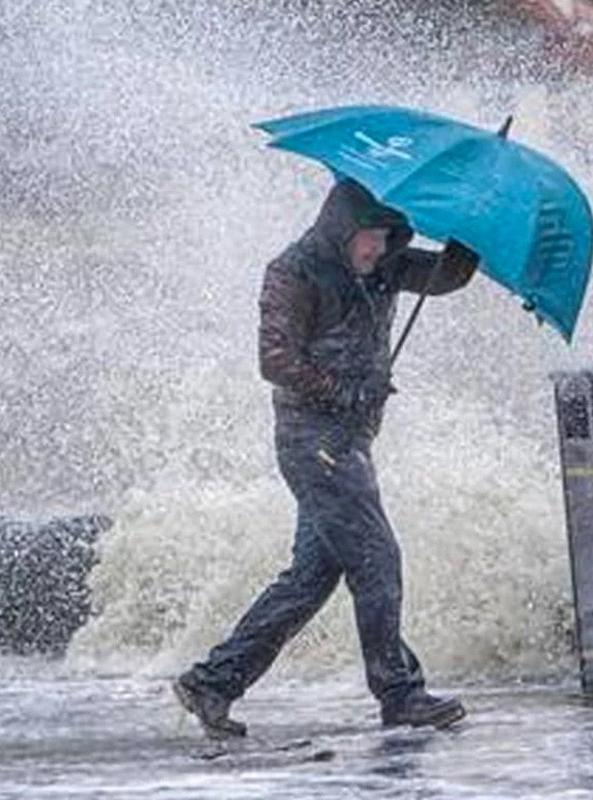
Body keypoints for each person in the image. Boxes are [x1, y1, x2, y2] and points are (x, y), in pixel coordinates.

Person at [173, 178, 479, 738]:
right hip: (312, 440)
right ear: (343, 230)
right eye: (370, 238)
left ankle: (212, 683)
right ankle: (399, 692)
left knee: (311, 577)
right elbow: (275, 360)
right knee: (377, 557)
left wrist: (470, 230)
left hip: (350, 442)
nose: (378, 250)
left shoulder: (384, 264)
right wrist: (344, 392)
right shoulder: (293, 272)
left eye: (388, 238)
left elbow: (446, 277)